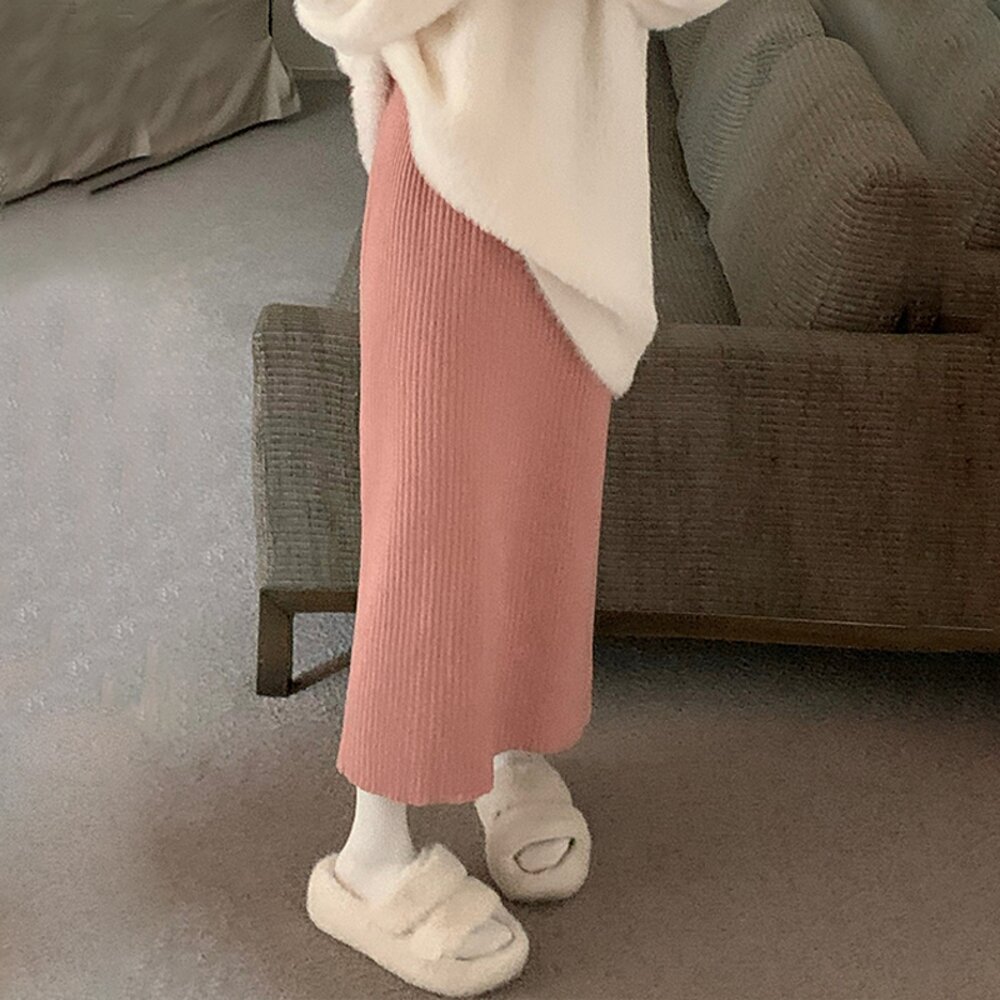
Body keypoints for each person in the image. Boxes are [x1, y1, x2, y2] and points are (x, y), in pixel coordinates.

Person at [293, 1, 732, 995]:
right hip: (446, 167)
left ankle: (503, 749)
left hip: (581, 195)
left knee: (545, 487)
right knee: (429, 508)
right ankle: (370, 853)